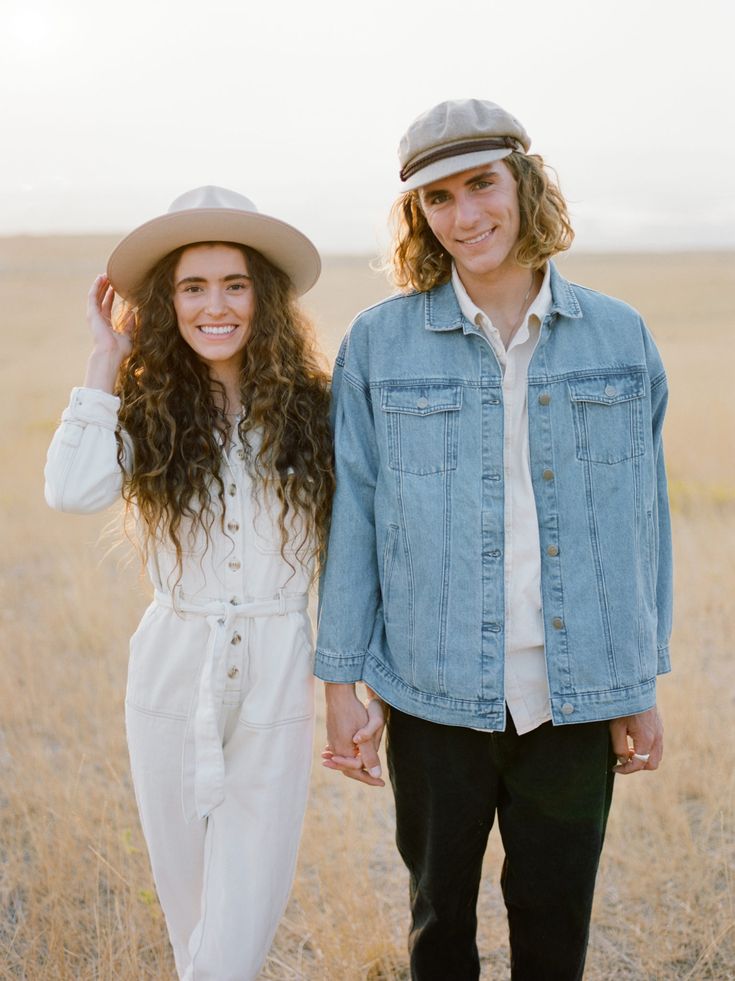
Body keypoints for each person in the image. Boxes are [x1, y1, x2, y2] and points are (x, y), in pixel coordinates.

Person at [315, 100, 672, 980]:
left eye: (481, 184)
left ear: (523, 181)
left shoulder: (619, 337)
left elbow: (641, 525)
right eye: (438, 197)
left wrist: (635, 683)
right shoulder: (379, 342)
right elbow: (352, 515)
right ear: (417, 215)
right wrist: (338, 681)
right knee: (439, 922)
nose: (465, 215)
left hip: (575, 694)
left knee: (554, 924)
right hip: (431, 691)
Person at [44, 186, 333, 981]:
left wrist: (349, 685)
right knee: (190, 903)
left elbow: (350, 552)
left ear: (262, 297)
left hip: (278, 665)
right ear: (166, 303)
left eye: (234, 284)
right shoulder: (145, 407)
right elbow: (71, 490)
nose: (216, 306)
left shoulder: (312, 407)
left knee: (245, 906)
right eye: (192, 287)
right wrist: (106, 359)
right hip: (173, 664)